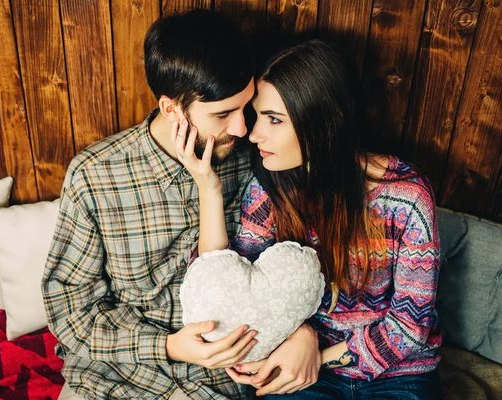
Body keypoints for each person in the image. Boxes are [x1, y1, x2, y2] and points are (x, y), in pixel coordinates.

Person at [174, 39, 442, 399]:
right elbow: (220, 278)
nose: (254, 135)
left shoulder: (405, 198)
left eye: (274, 120)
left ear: (328, 120)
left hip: (397, 374)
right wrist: (208, 187)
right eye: (259, 117)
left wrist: (318, 356)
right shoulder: (268, 187)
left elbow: (410, 326)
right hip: (301, 369)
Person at [42, 10, 260, 400]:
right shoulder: (96, 176)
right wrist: (168, 346)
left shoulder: (249, 157)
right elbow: (69, 310)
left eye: (245, 107)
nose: (242, 128)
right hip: (112, 374)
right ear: (171, 109)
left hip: (212, 381)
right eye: (223, 114)